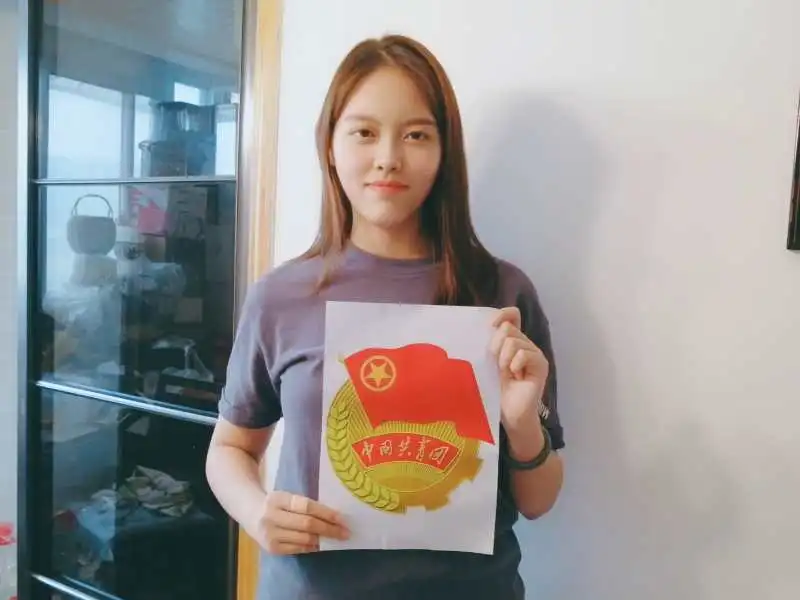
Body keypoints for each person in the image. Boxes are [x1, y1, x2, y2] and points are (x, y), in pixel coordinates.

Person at [205, 33, 565, 600]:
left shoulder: (502, 293)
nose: (389, 157)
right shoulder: (281, 296)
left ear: (445, 152)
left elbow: (539, 501)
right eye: (364, 132)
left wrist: (522, 424)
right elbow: (230, 448)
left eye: (416, 134)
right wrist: (256, 513)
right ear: (330, 145)